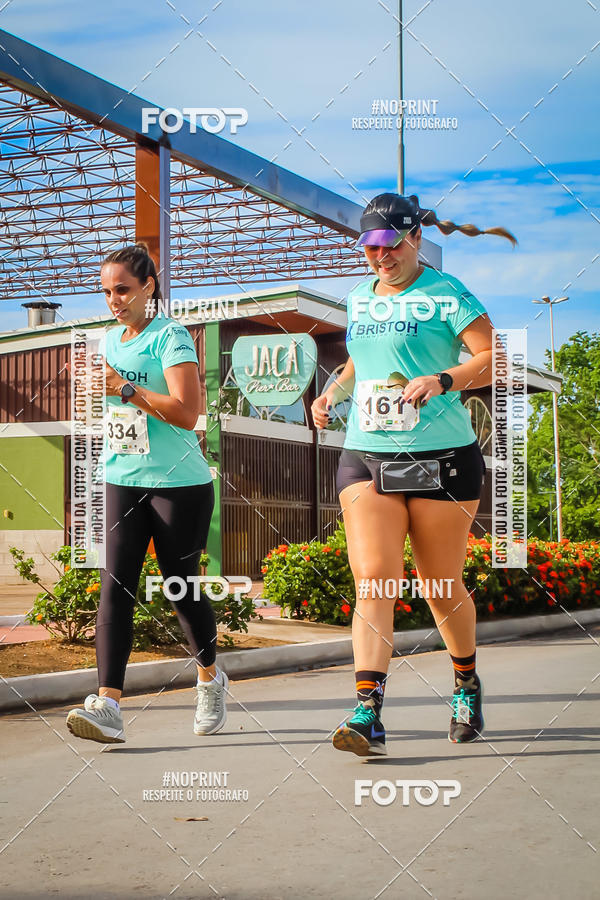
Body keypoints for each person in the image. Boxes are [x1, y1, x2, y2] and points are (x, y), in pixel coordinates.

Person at [311, 193, 516, 757]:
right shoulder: (358, 297)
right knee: (374, 577)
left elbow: (493, 357)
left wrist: (443, 380)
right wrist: (334, 390)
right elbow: (360, 360)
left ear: (416, 238)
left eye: (391, 246)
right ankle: (367, 711)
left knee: (439, 586)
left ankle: (465, 682)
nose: (380, 258)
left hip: (443, 457)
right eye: (371, 249)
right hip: (367, 455)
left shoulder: (447, 294)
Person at [66, 242, 227, 744]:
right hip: (122, 477)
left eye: (123, 289)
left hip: (179, 484)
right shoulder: (109, 340)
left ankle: (209, 678)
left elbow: (186, 413)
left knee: (181, 588)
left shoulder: (170, 337)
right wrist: (94, 391)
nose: (114, 300)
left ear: (148, 288)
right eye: (107, 291)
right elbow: (110, 407)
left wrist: (125, 388)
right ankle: (109, 704)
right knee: (116, 587)